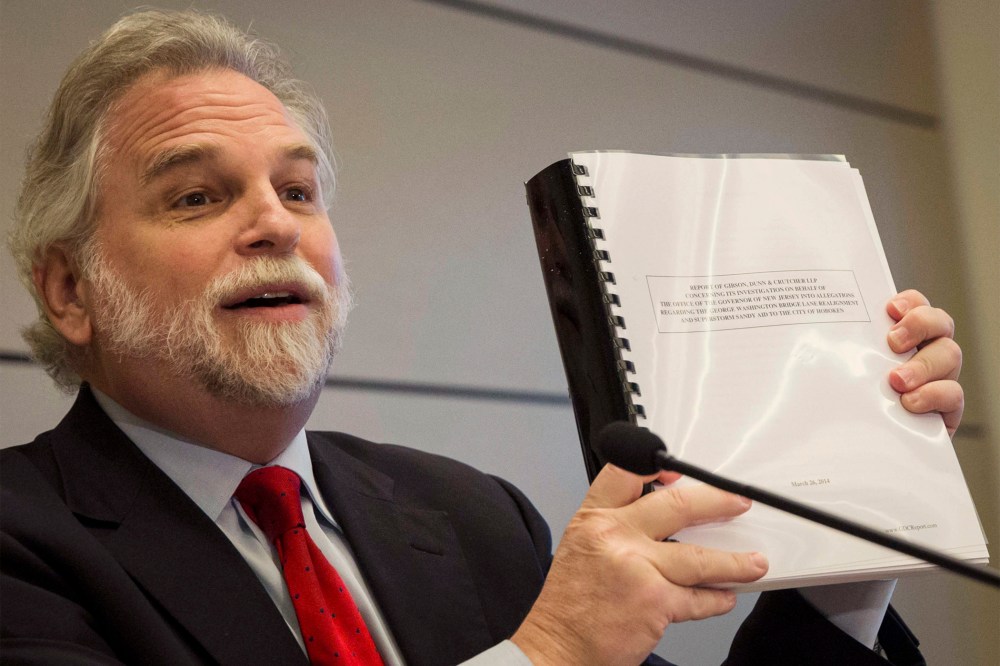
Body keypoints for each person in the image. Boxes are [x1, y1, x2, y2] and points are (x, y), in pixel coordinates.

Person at [1, 9, 964, 666]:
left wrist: (855, 495)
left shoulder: (469, 514)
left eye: (298, 191)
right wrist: (544, 656)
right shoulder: (22, 544)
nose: (277, 226)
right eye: (198, 196)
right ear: (71, 288)